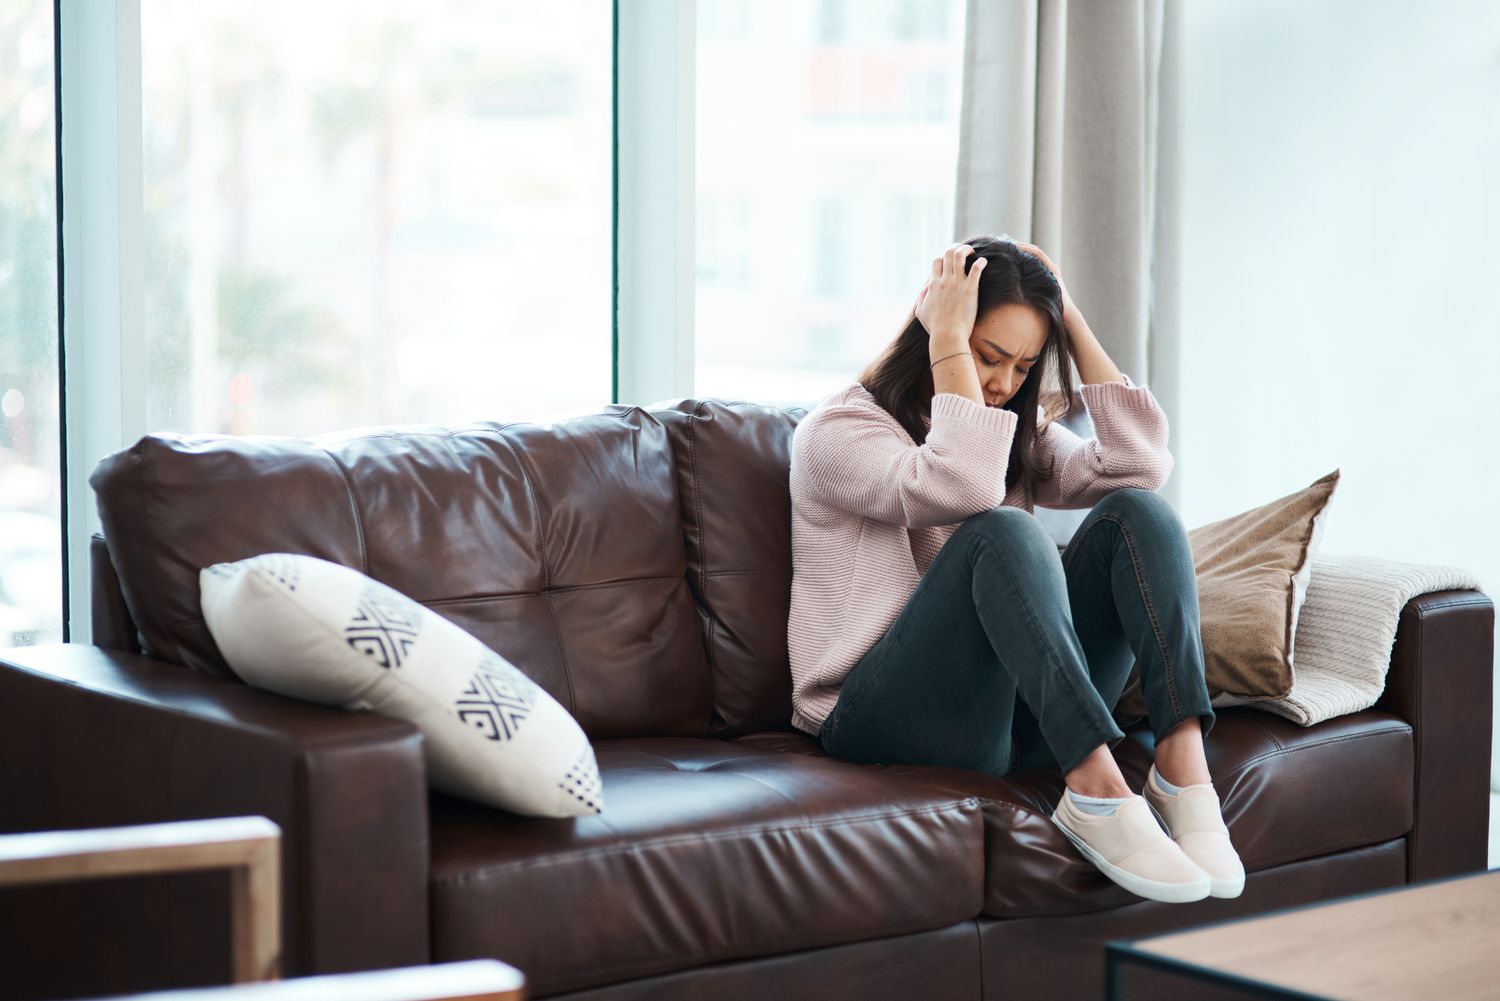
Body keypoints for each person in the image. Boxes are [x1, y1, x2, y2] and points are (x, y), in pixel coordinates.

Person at [786, 235, 1244, 904]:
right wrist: (947, 340)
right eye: (987, 356)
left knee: (1135, 514)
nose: (1002, 384)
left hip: (1012, 721)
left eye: (1024, 365)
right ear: (938, 333)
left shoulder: (1008, 431)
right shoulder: (838, 433)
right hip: (878, 714)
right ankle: (1093, 782)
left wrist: (1070, 316)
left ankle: (1181, 768)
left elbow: (1140, 465)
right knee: (1002, 530)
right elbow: (963, 485)